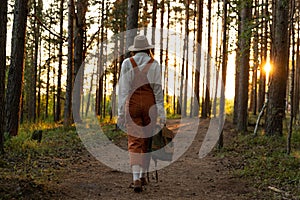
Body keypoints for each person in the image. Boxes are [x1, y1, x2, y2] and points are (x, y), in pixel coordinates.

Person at [118, 35, 165, 192]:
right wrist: (162, 114)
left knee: (135, 141)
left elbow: (123, 91)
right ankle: (143, 175)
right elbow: (158, 91)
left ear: (135, 50)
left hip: (132, 104)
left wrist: (120, 113)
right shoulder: (155, 64)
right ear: (148, 49)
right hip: (150, 105)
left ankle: (136, 178)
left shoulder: (127, 63)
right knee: (147, 140)